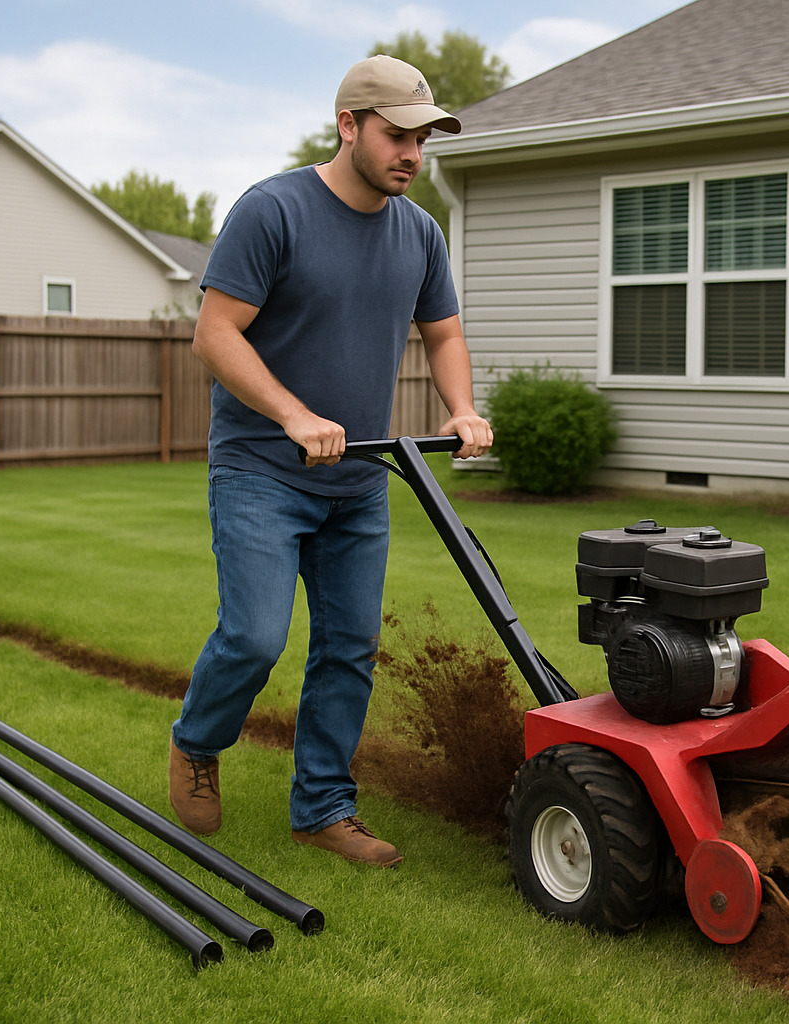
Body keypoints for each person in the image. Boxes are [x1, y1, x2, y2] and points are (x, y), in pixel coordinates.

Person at [168, 54, 491, 867]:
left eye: (422, 139)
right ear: (348, 125)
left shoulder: (420, 233)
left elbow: (443, 334)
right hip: (261, 468)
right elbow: (214, 334)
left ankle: (322, 809)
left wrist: (461, 408)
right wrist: (293, 414)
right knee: (253, 637)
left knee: (349, 647)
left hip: (358, 480)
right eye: (397, 136)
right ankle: (197, 742)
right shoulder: (273, 211)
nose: (412, 154)